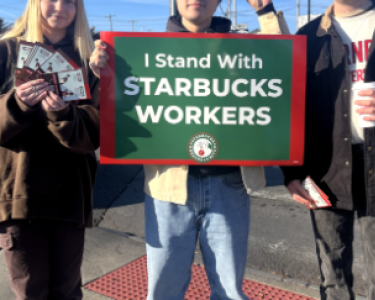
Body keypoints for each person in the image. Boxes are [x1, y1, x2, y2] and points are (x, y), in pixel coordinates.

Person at [90, 0, 289, 299]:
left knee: (229, 292)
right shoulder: (143, 53)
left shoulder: (241, 47)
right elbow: (120, 106)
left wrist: (265, 12)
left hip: (229, 185)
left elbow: (282, 60)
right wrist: (101, 71)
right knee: (163, 290)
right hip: (167, 190)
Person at [281, 0, 375, 299]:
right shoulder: (308, 35)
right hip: (325, 170)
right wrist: (291, 173)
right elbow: (290, 106)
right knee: (333, 277)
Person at [0, 0, 100, 299]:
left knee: (68, 290)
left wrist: (64, 116)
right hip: (19, 195)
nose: (60, 7)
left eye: (70, 1)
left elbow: (94, 135)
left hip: (71, 195)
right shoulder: (6, 51)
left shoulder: (90, 59)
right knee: (31, 291)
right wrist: (16, 103)